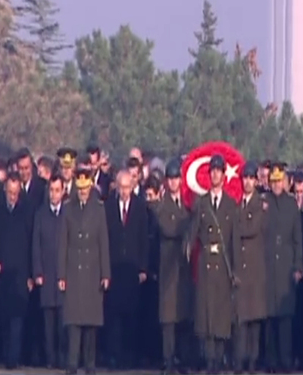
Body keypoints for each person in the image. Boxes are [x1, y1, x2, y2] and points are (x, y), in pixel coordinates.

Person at [185, 154, 240, 374]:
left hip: (223, 265)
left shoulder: (230, 205)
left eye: (219, 171)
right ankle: (209, 360)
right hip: (207, 263)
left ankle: (219, 358)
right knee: (206, 313)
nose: (215, 174)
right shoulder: (202, 203)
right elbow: (194, 230)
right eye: (212, 171)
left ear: (224, 175)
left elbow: (234, 239)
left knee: (221, 314)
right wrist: (187, 246)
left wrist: (235, 270)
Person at [58, 167, 110, 374]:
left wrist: (105, 274)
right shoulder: (68, 208)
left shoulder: (99, 209)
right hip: (73, 270)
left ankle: (90, 363)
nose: (82, 192)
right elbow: (63, 243)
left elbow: (103, 243)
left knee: (91, 323)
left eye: (85, 189)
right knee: (73, 322)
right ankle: (72, 363)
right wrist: (61, 274)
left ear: (90, 187)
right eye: (79, 189)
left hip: (92, 271)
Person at [150, 160, 193, 373]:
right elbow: (169, 228)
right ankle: (168, 360)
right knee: (168, 318)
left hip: (183, 268)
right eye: (171, 179)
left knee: (183, 316)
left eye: (177, 178)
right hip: (168, 268)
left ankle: (182, 359)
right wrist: (188, 224)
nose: (174, 182)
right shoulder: (161, 205)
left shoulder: (186, 203)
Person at [103, 169, 149, 369]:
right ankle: (114, 356)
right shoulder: (108, 206)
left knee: (131, 314)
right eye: (121, 187)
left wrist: (143, 268)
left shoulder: (140, 207)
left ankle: (129, 356)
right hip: (113, 267)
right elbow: (104, 239)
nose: (124, 191)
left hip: (132, 268)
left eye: (127, 187)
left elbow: (144, 238)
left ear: (132, 187)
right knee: (113, 316)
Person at [0, 173, 34, 370]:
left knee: (17, 320)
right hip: (3, 274)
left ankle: (12, 360)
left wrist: (32, 274)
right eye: (10, 193)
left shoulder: (27, 212)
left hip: (21, 274)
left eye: (16, 193)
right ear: (5, 191)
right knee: (4, 318)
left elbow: (33, 244)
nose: (12, 197)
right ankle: (7, 355)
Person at [262, 162, 303, 373]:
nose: (277, 185)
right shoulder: (264, 202)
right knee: (269, 319)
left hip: (286, 266)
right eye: (273, 181)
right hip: (268, 267)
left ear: (285, 182)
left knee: (285, 319)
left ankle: (285, 361)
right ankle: (270, 361)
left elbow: (298, 239)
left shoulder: (291, 204)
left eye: (279, 181)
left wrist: (298, 266)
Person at [235, 163, 267, 373]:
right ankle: (241, 359)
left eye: (250, 178)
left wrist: (234, 225)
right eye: (244, 178)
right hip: (241, 268)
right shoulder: (239, 204)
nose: (247, 182)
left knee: (254, 319)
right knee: (241, 318)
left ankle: (253, 360)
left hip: (255, 269)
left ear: (256, 181)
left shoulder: (259, 205)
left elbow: (250, 229)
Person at [32, 172, 66, 369]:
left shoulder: (67, 214)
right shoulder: (41, 214)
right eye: (51, 190)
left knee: (63, 324)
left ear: (62, 192)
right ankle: (50, 360)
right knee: (48, 325)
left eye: (57, 190)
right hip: (46, 276)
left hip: (63, 277)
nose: (54, 194)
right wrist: (37, 272)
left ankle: (63, 358)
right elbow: (35, 245)